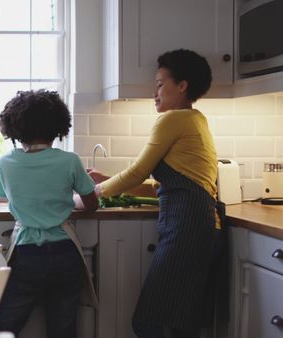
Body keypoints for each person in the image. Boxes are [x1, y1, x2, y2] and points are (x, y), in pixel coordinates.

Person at [89, 49, 224, 338]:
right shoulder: (196, 119)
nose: (155, 92)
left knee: (148, 322)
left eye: (160, 84)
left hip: (187, 227)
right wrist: (108, 180)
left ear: (182, 85)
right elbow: (163, 185)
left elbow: (138, 172)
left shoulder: (172, 120)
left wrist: (94, 192)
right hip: (202, 226)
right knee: (181, 324)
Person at [0, 89, 99, 338]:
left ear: (14, 128)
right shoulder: (70, 161)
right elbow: (92, 204)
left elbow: (11, 197)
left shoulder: (5, 163)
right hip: (65, 253)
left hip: (27, 254)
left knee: (4, 325)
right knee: (63, 328)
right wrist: (69, 202)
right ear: (58, 126)